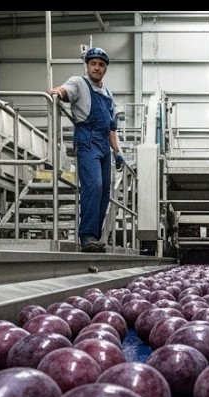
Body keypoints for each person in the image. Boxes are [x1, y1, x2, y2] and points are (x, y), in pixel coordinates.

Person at [49, 46, 126, 253]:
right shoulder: (78, 83)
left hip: (103, 144)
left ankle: (95, 236)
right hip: (87, 141)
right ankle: (87, 235)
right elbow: (65, 91)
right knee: (93, 186)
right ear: (87, 65)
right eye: (93, 64)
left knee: (104, 193)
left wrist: (117, 152)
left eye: (101, 65)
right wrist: (58, 92)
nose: (97, 68)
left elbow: (110, 127)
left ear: (105, 69)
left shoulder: (108, 94)